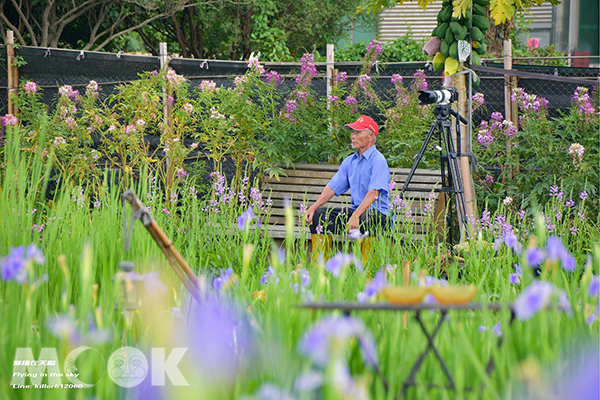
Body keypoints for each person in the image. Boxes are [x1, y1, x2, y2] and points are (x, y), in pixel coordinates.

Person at [304, 115, 391, 258]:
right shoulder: (350, 161)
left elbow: (374, 193)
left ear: (371, 136)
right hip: (356, 213)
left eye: (358, 132)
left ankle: (366, 273)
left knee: (366, 218)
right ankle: (320, 271)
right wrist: (313, 207)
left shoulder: (378, 160)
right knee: (319, 216)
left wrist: (356, 215)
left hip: (378, 215)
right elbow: (332, 187)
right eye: (352, 132)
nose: (353, 136)